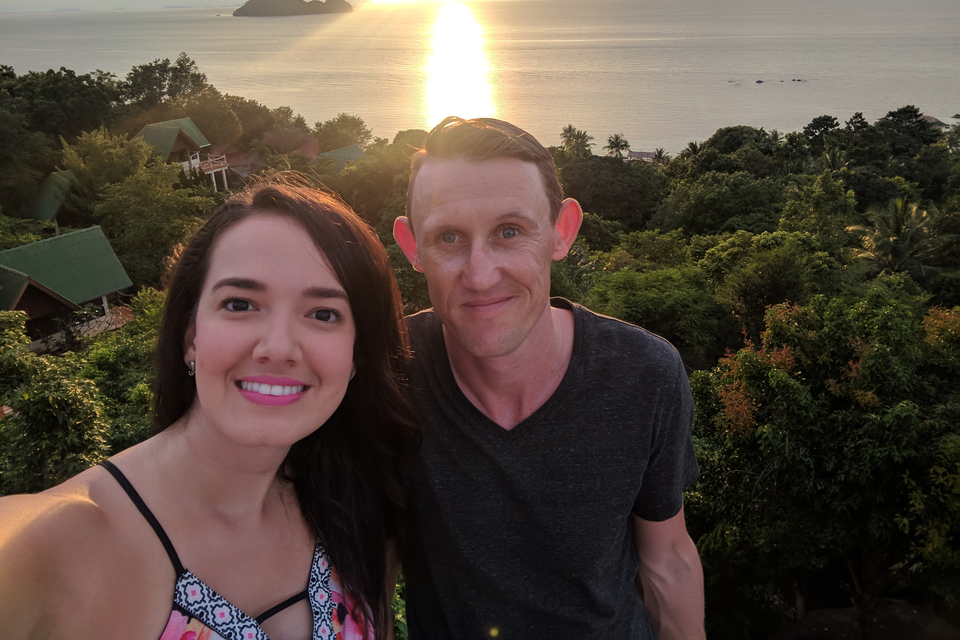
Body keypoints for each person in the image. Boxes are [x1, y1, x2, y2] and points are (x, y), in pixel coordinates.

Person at [0, 182, 419, 640]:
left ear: (356, 354)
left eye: (323, 314)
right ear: (190, 337)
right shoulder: (50, 546)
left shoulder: (359, 512)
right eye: (240, 304)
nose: (277, 348)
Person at [392, 117, 705, 639]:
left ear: (561, 232)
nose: (481, 273)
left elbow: (667, 559)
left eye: (509, 232)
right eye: (449, 237)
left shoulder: (643, 375)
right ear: (412, 246)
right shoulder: (387, 376)